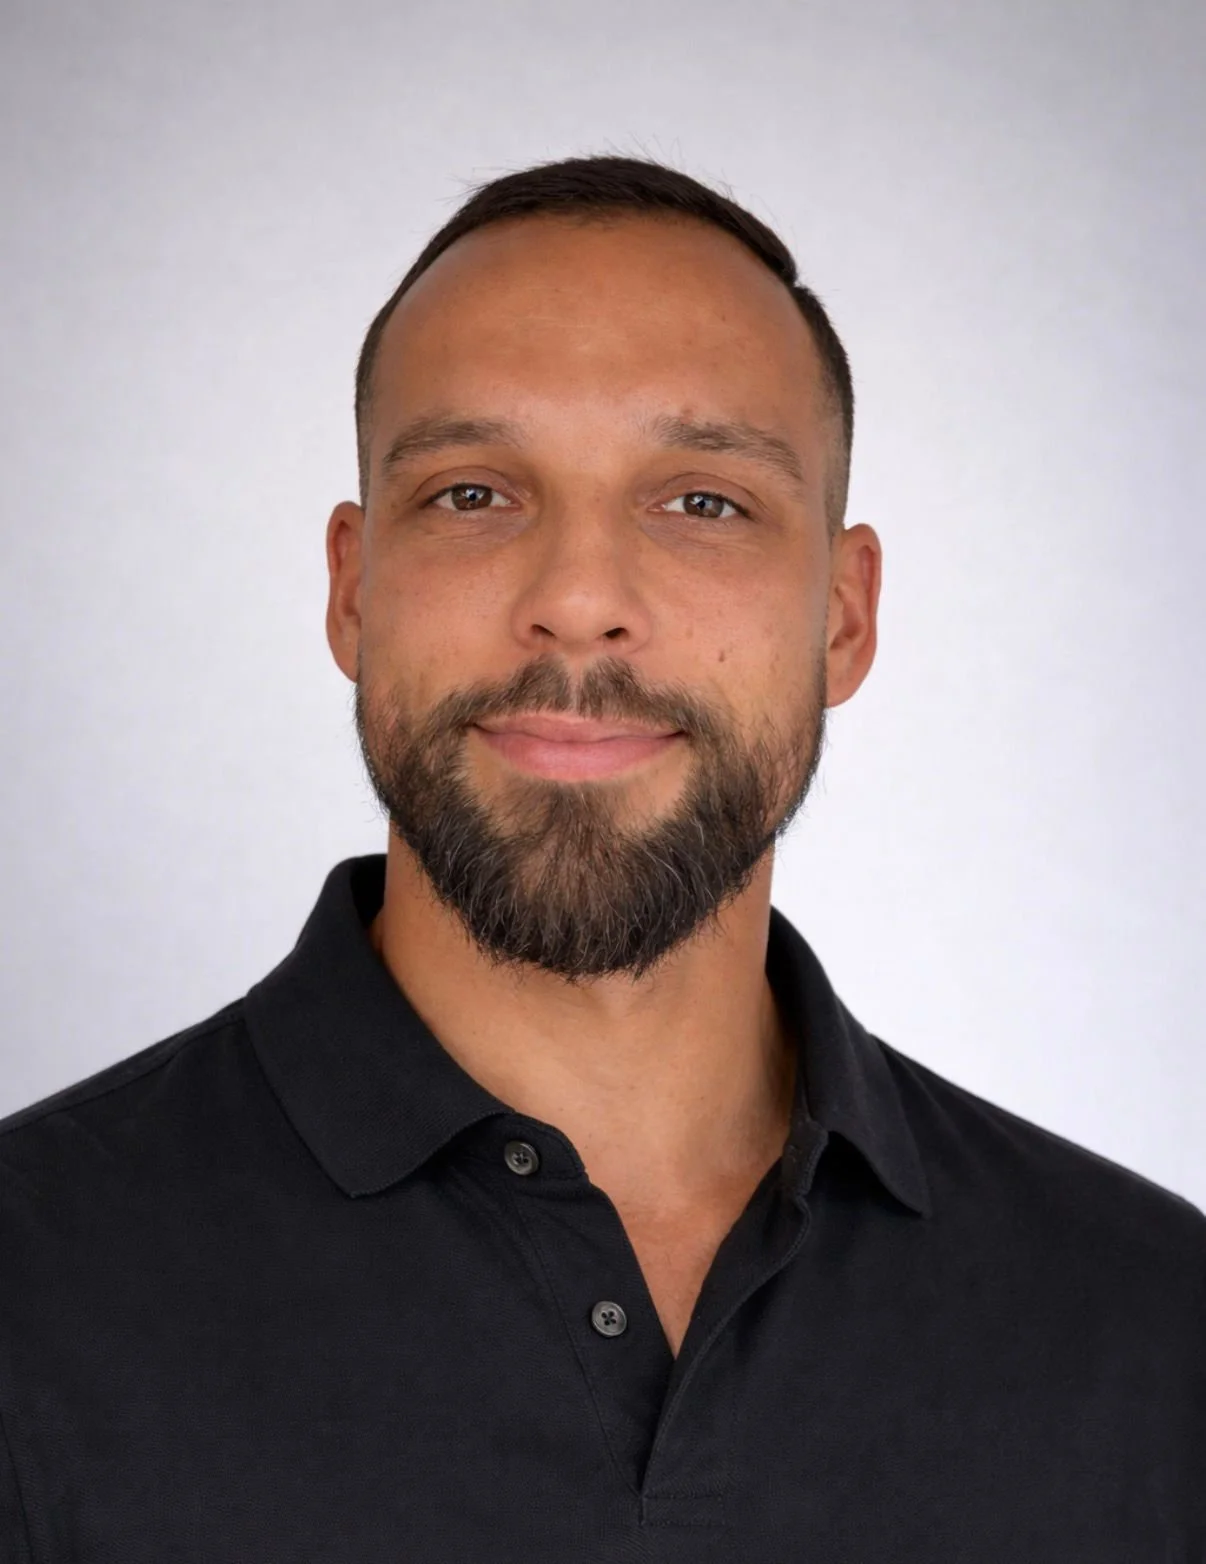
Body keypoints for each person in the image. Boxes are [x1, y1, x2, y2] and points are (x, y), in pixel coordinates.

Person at [1, 156, 1201, 1563]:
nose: (577, 602)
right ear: (351, 592)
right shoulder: (31, 1288)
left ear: (843, 617)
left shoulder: (1152, 1334)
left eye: (700, 503)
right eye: (469, 495)